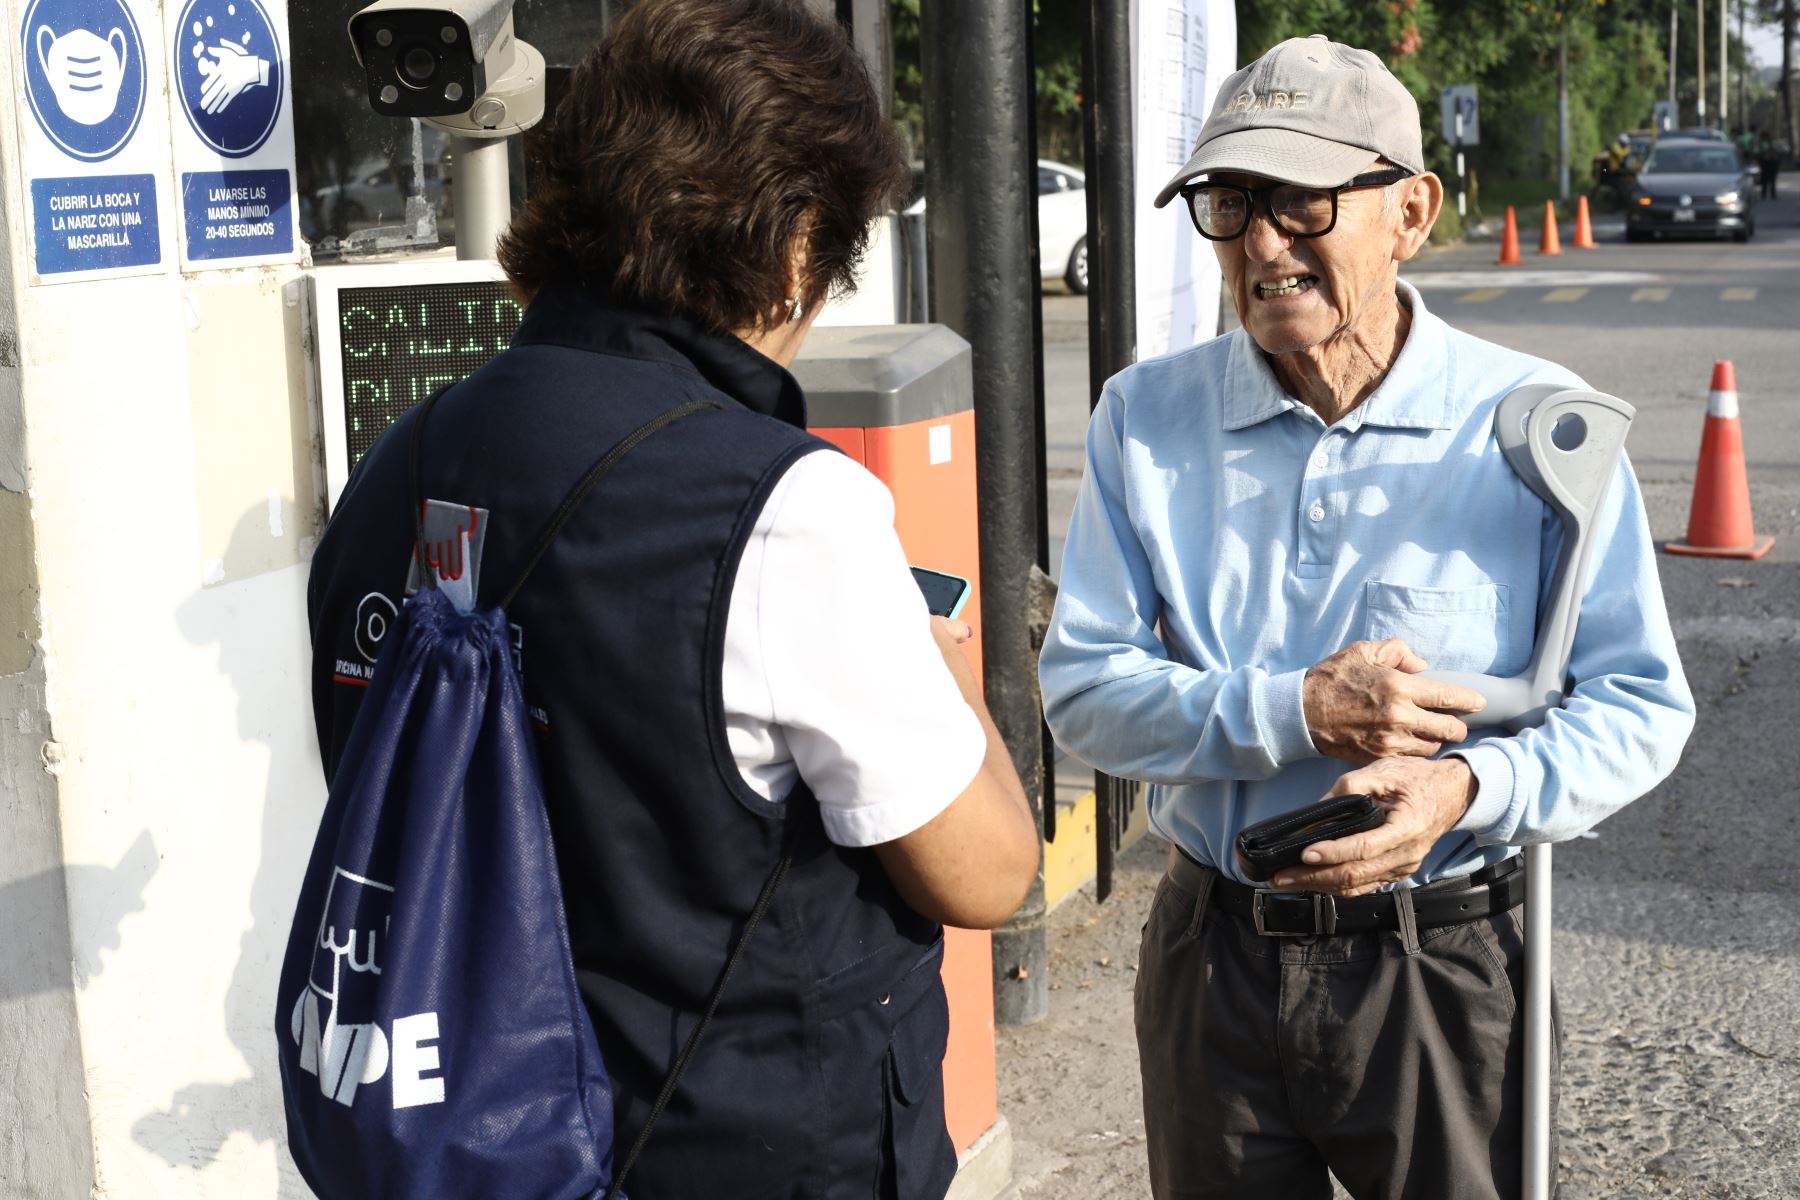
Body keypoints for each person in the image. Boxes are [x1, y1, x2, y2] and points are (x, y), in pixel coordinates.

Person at [306, 2, 1037, 1196]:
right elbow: (989, 874)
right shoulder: (784, 508)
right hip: (736, 1152)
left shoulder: (402, 462)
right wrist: (947, 666)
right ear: (797, 245)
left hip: (478, 1146)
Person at [1040, 34, 1694, 1200]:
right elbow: (1086, 694)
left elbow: (1640, 704)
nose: (1262, 243)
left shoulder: (1539, 426)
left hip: (1442, 956)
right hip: (1213, 958)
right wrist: (1298, 709)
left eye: (1301, 200)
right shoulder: (1145, 418)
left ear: (1411, 211)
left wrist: (1468, 789)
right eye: (1232, 204)